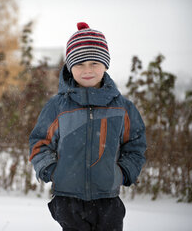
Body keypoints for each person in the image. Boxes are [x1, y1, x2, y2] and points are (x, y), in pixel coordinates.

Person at [29, 22, 147, 231]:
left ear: (105, 64)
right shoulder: (57, 106)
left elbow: (135, 145)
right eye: (80, 64)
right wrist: (51, 170)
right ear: (70, 67)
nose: (87, 70)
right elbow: (40, 142)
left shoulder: (123, 107)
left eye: (94, 63)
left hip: (108, 201)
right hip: (68, 200)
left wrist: (124, 171)